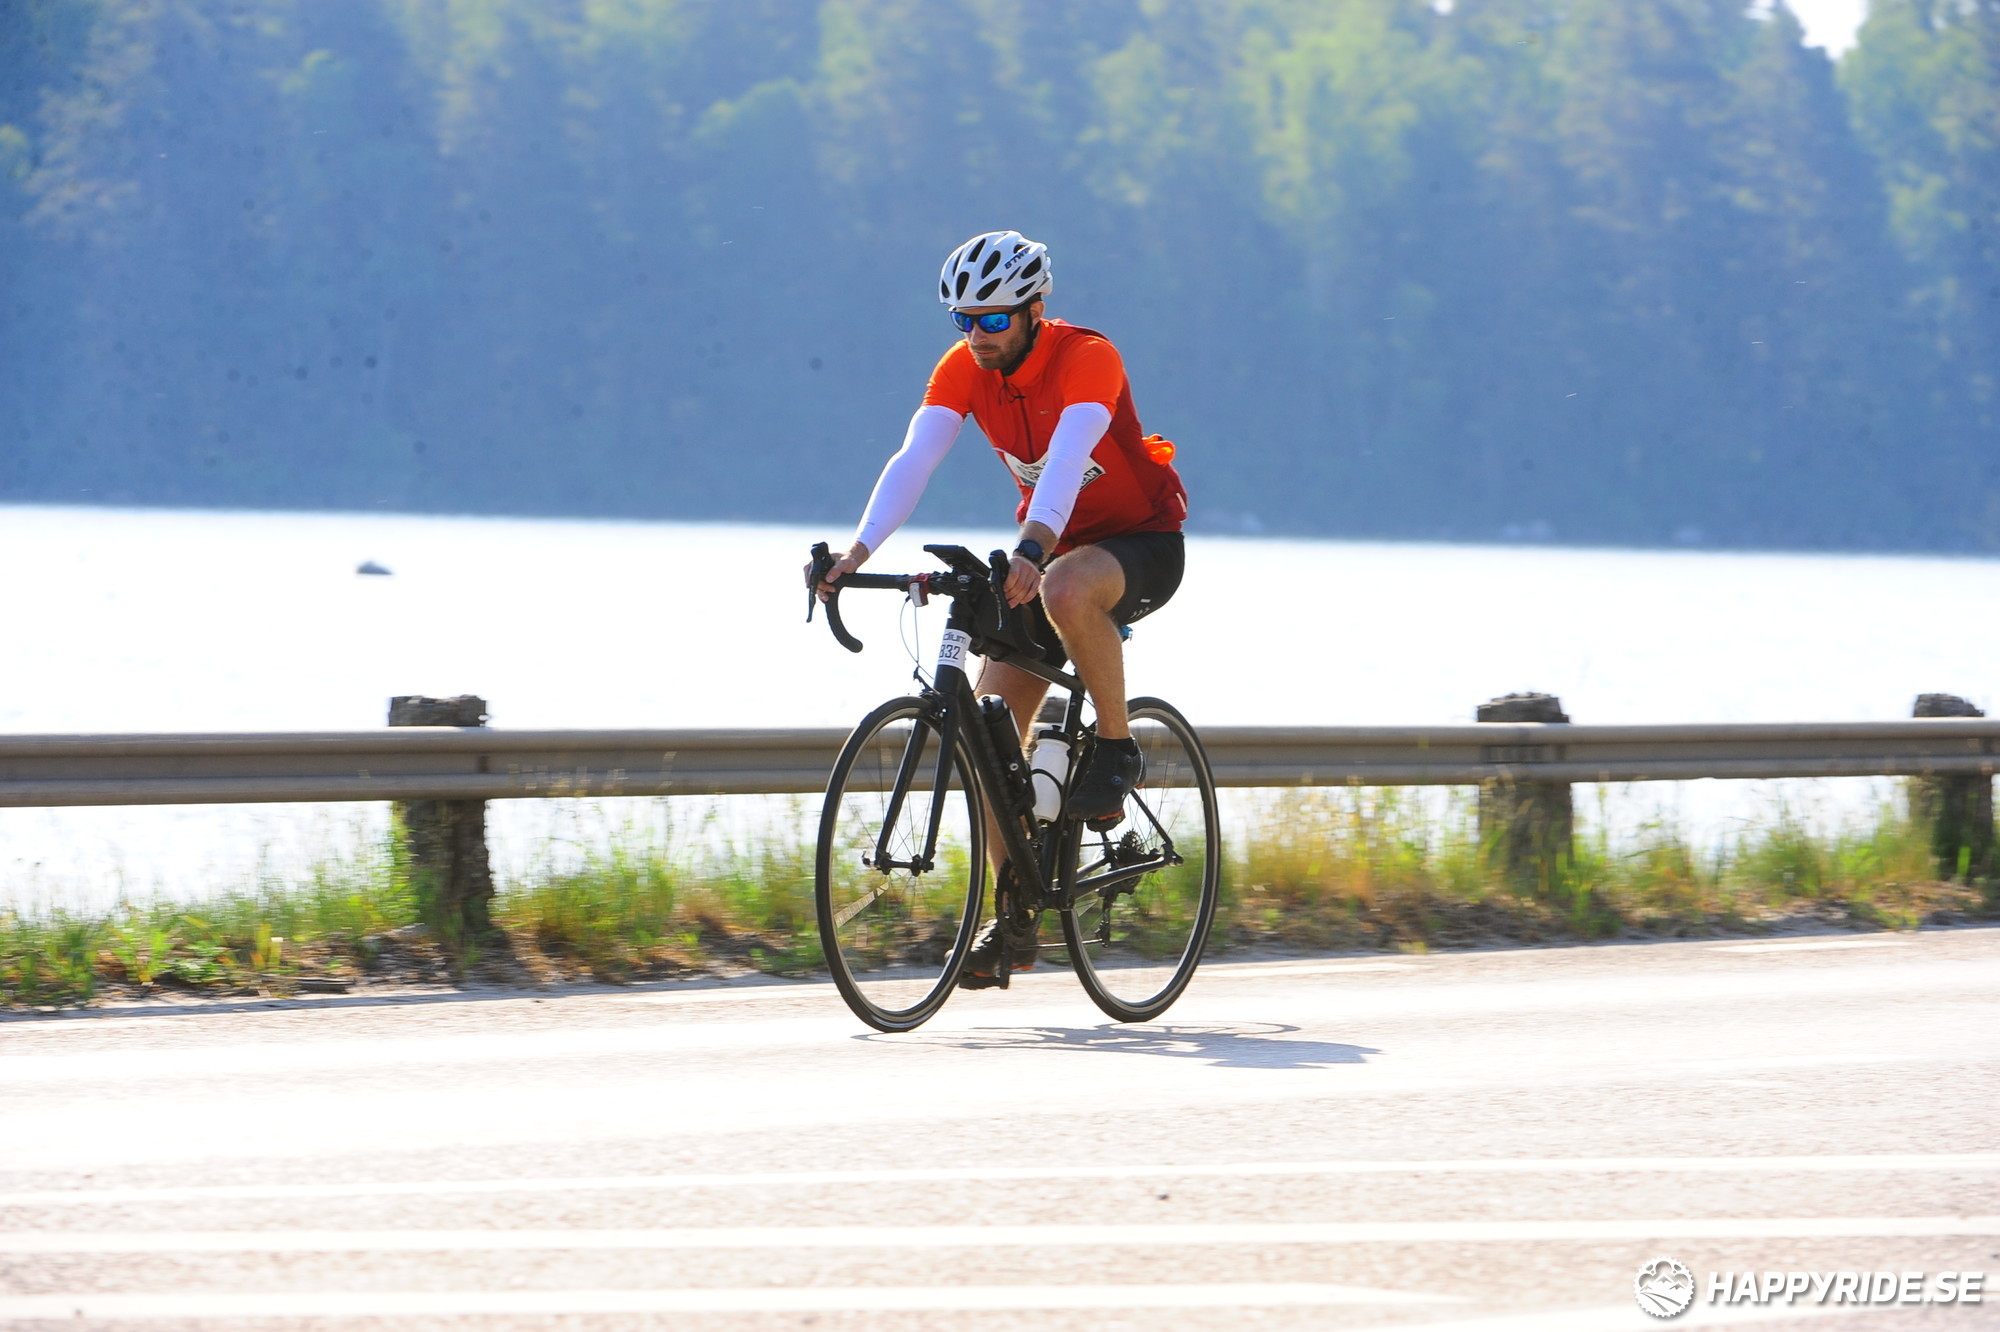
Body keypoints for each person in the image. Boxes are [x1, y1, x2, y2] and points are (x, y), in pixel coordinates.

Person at [817, 230, 1188, 986]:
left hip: (1139, 542)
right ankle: (1015, 916)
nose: (978, 336)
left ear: (1033, 310)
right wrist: (856, 554)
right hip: (1048, 547)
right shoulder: (963, 368)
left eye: (993, 319)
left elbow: (1067, 459)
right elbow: (914, 458)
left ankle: (1116, 747)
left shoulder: (1087, 357)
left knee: (1064, 589)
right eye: (964, 320)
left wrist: (1032, 548)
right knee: (988, 736)